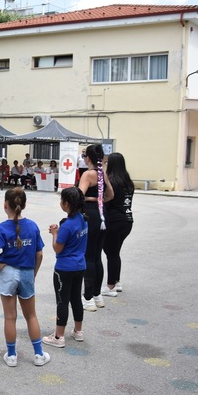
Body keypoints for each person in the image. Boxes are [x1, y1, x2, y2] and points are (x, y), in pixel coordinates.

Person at [0, 187, 49, 367]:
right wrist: (33, 274)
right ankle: (38, 354)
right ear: (24, 204)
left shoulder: (0, 228)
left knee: (10, 317)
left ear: (5, 205)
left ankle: (12, 355)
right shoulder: (33, 226)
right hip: (27, 272)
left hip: (7, 273)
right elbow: (39, 254)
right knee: (31, 316)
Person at [42, 187, 88, 348]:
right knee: (76, 298)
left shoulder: (67, 225)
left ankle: (58, 336)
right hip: (80, 265)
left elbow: (58, 248)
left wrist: (55, 233)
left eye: (61, 200)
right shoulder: (83, 218)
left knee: (62, 301)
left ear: (66, 204)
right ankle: (78, 331)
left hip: (65, 268)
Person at [78, 144, 113, 311]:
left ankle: (88, 298)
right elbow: (110, 194)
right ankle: (97, 295)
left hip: (91, 215)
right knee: (97, 257)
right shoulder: (102, 173)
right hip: (102, 215)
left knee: (89, 257)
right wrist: (99, 199)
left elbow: (78, 196)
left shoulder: (88, 174)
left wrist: (90, 199)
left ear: (88, 158)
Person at [101, 153, 134, 295]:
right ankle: (116, 281)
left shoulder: (111, 182)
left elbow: (107, 202)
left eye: (107, 162)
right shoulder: (128, 182)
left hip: (114, 221)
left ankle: (110, 286)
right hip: (127, 221)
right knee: (115, 252)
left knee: (111, 253)